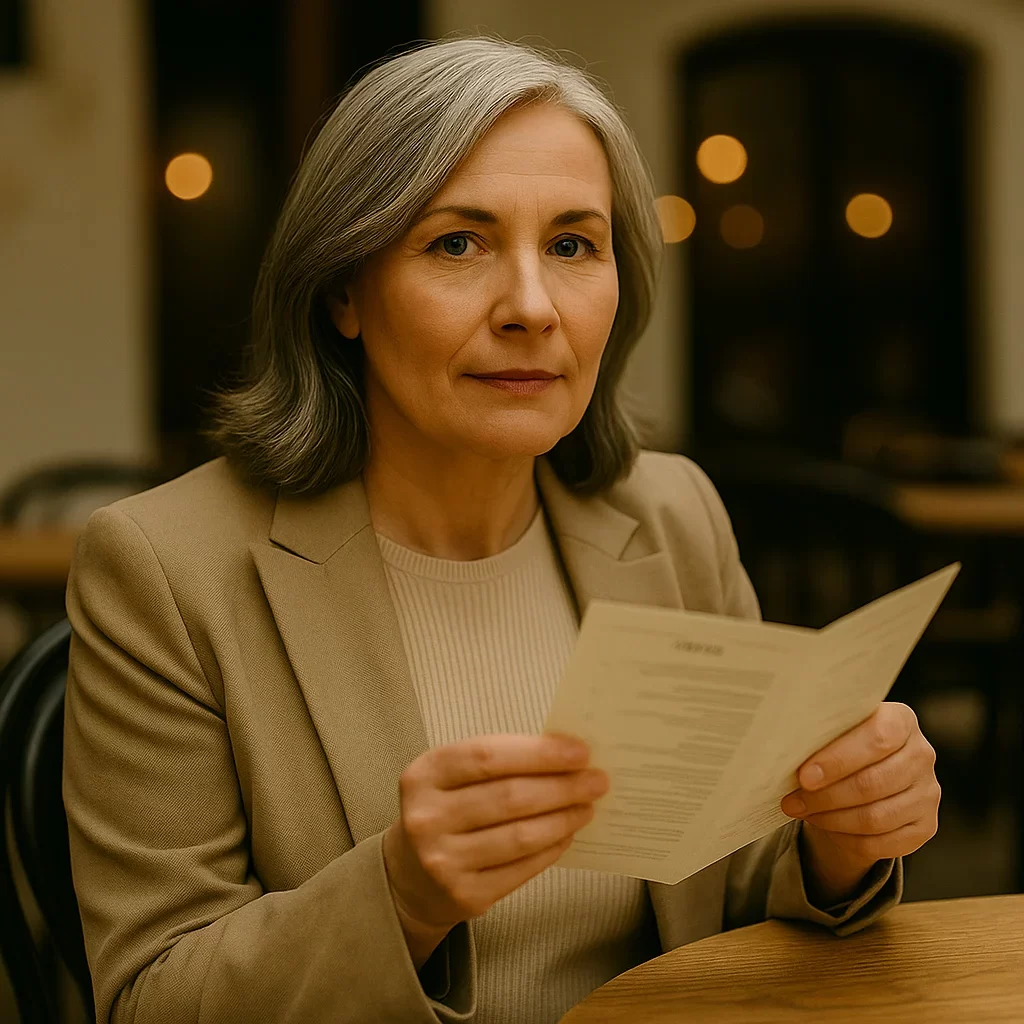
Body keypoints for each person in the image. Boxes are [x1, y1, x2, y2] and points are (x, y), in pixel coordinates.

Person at [63, 35, 940, 1024]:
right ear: (342, 289)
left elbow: (726, 886)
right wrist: (400, 895)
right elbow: (149, 998)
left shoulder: (670, 514)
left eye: (572, 244)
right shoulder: (165, 568)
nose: (531, 307)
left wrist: (837, 842)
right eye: (457, 243)